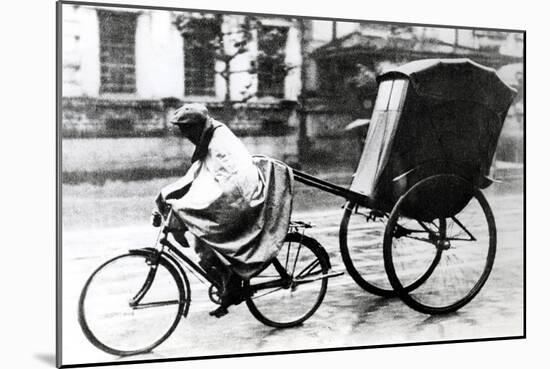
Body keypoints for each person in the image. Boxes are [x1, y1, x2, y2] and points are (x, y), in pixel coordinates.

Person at [153, 103, 293, 318]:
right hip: (232, 192)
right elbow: (196, 176)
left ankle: (232, 284)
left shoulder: (219, 142)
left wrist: (191, 204)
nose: (186, 136)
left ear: (198, 127)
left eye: (187, 130)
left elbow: (231, 182)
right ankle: (229, 284)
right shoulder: (208, 137)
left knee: (205, 224)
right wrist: (169, 195)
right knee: (202, 240)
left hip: (243, 198)